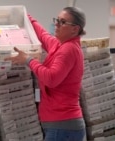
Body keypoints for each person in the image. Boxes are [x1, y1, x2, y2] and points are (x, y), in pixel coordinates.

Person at [5, 7, 86, 141]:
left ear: (75, 29)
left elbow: (51, 78)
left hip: (62, 126)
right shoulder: (59, 45)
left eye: (63, 22)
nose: (57, 24)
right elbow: (42, 35)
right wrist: (24, 15)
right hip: (59, 125)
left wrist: (28, 60)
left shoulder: (69, 49)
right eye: (57, 20)